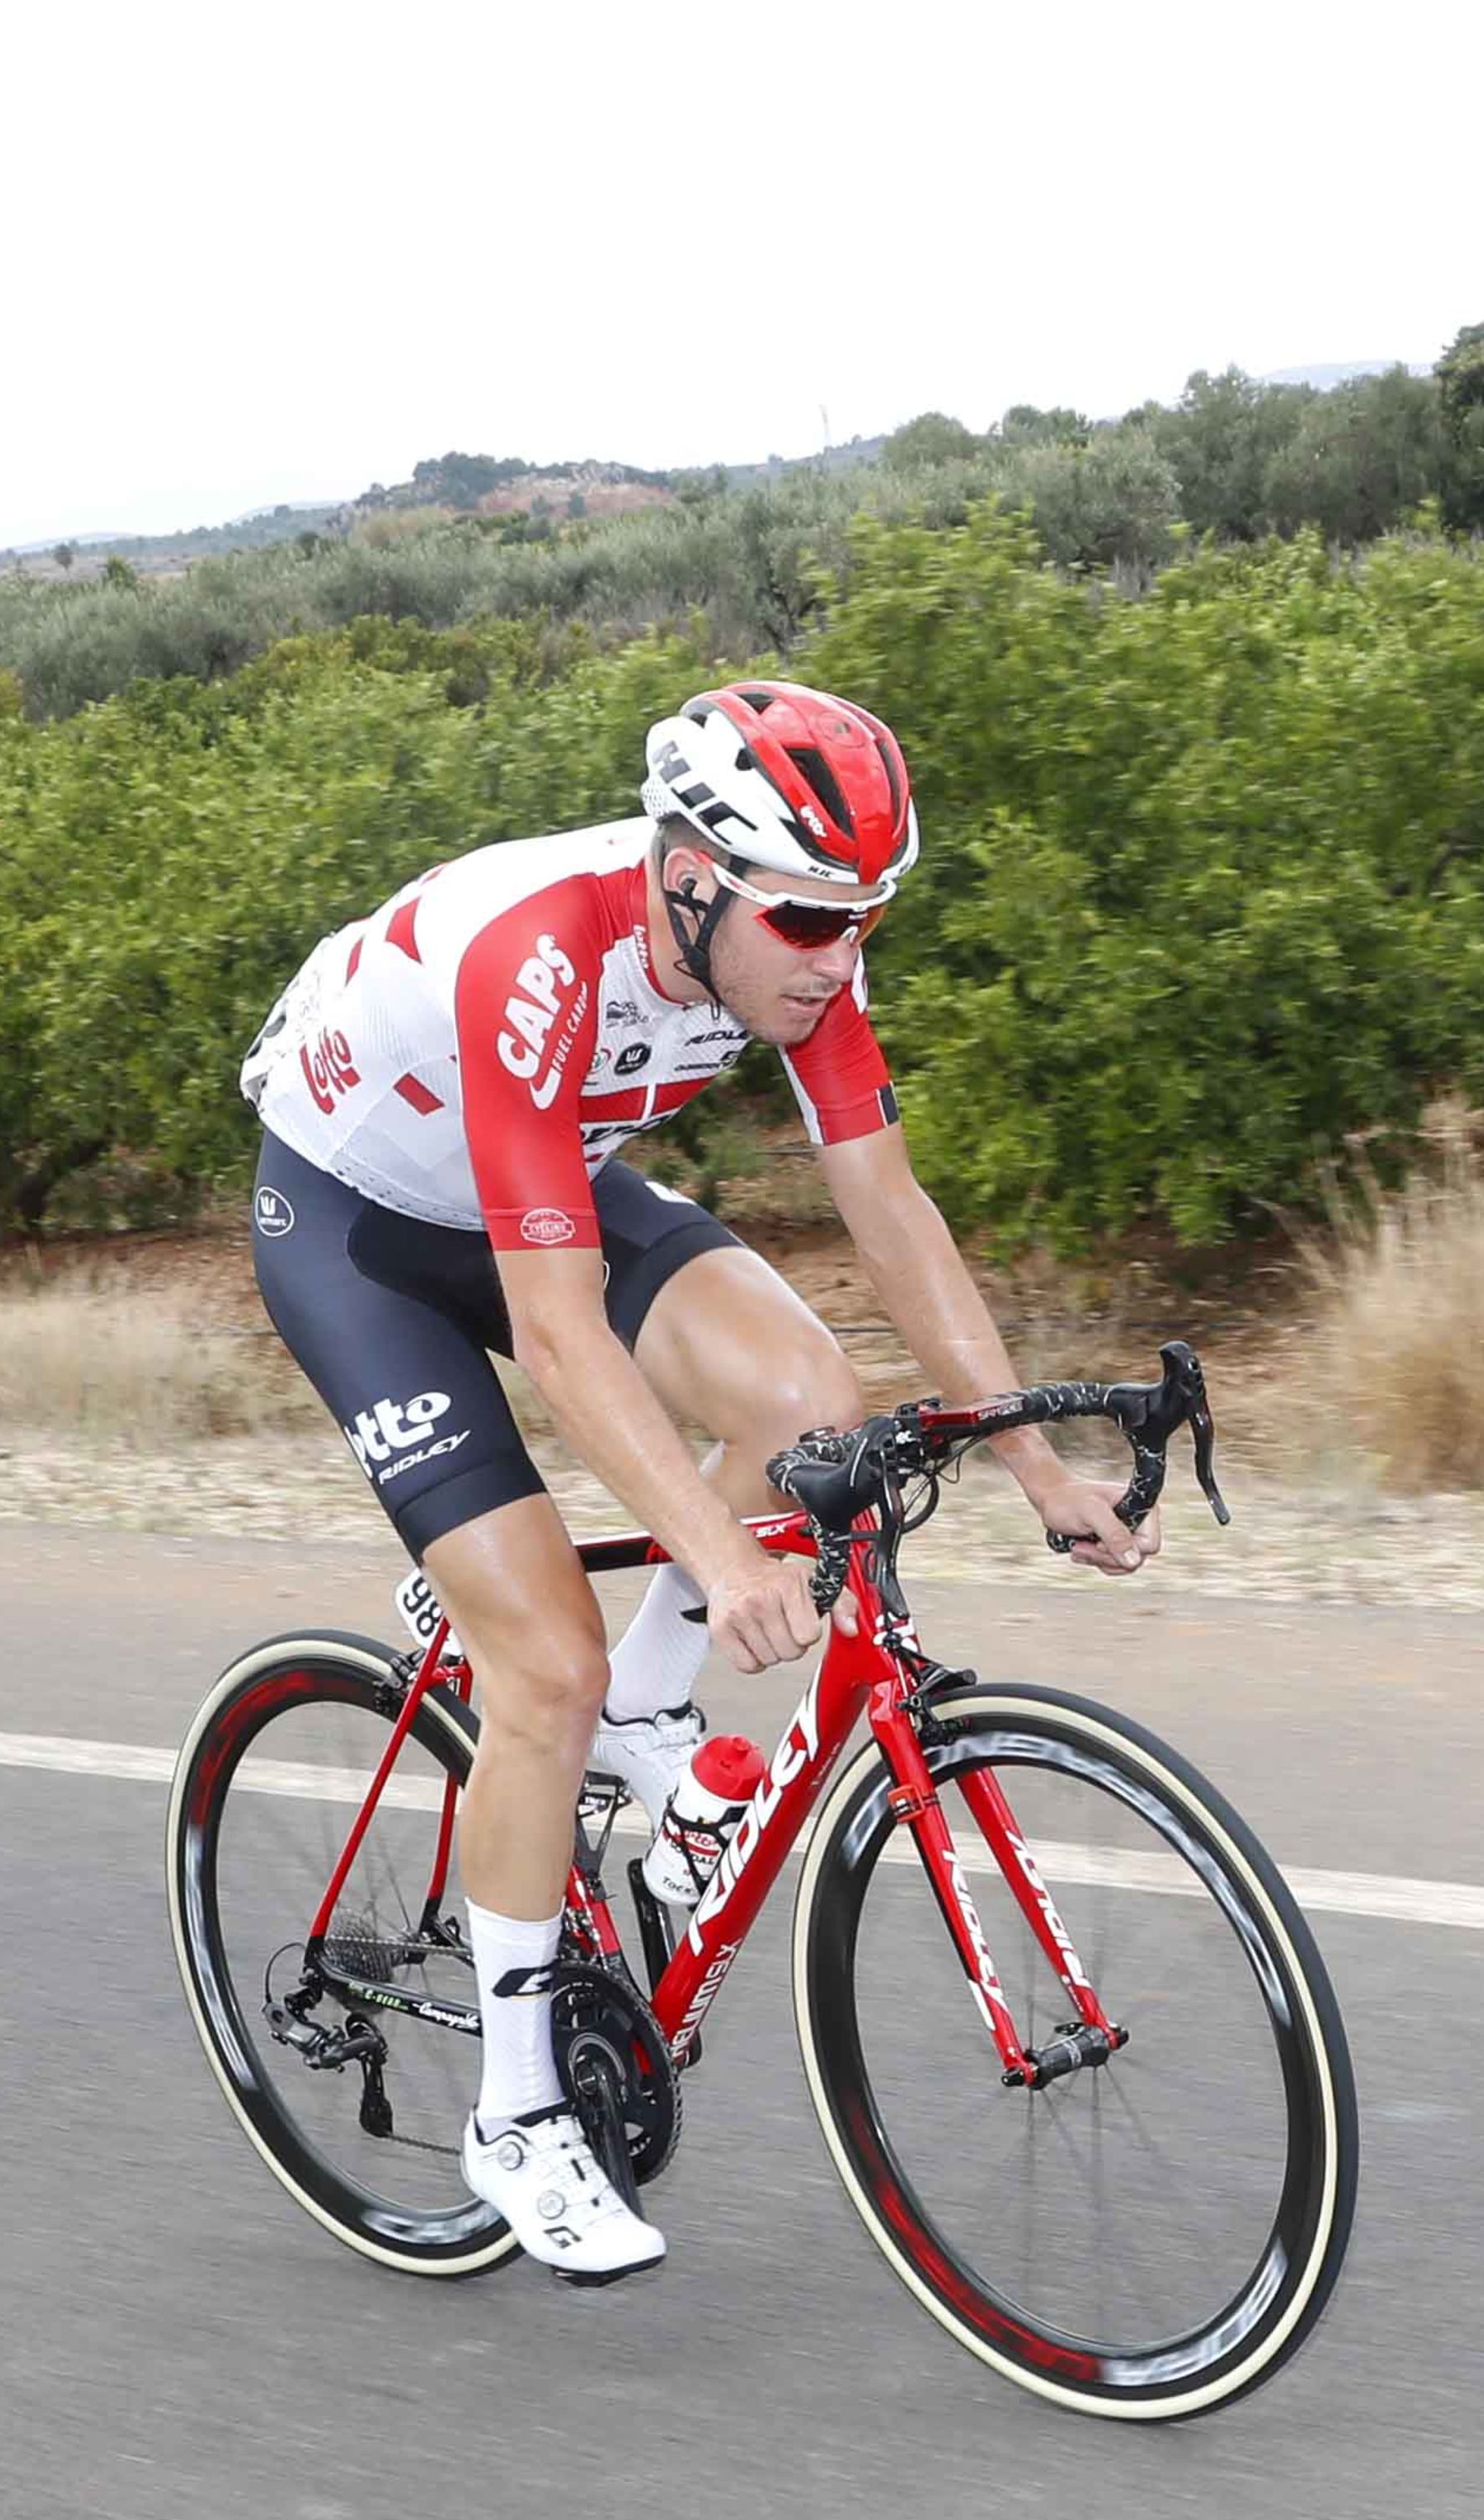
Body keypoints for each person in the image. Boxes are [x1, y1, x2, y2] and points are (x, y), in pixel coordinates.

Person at [238, 681, 1155, 2287]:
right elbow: (555, 1329)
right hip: (362, 1227)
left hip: (532, 1180)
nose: (839, 960)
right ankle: (517, 2121)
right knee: (546, 1659)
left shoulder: (794, 951)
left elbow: (893, 1210)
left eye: (865, 922)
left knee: (808, 1392)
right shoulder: (542, 951)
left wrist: (1026, 1455)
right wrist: (722, 1558)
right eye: (808, 923)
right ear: (691, 877)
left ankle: (649, 1726)